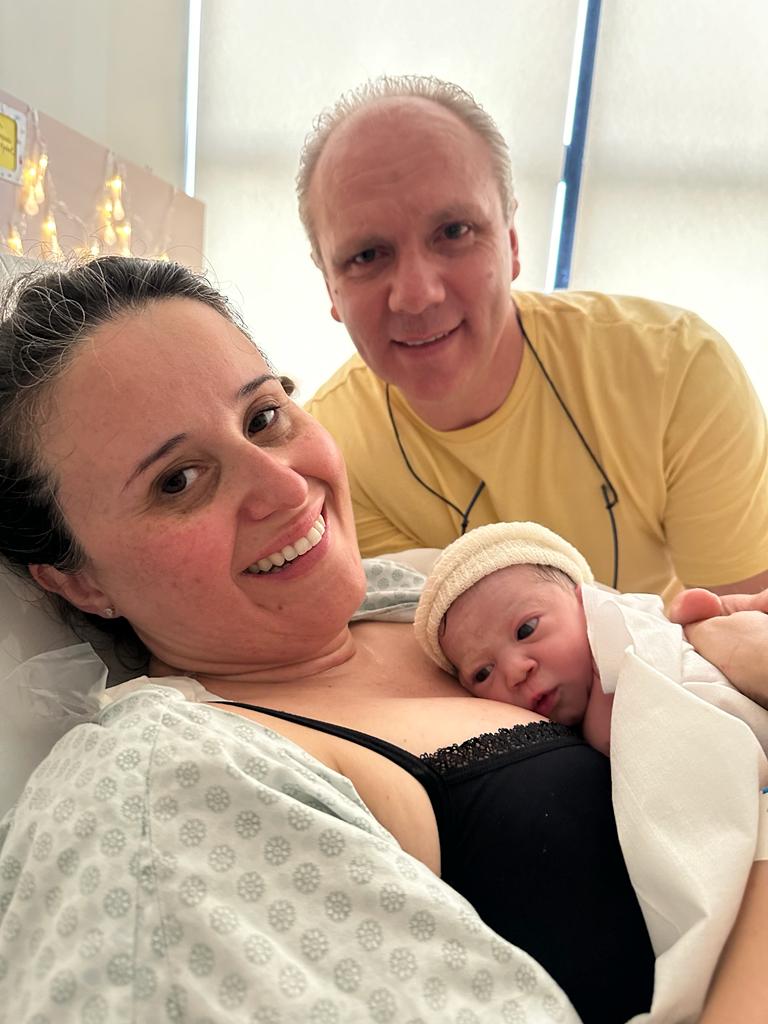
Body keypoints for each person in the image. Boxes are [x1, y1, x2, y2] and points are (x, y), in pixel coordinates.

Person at [0, 257, 760, 1024]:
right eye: (178, 481)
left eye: (263, 418)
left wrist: (711, 647)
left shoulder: (422, 593)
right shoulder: (163, 791)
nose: (286, 488)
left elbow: (660, 650)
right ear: (77, 582)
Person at [298, 74, 768, 600]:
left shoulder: (675, 371)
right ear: (331, 289)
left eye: (454, 232)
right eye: (366, 255)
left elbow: (747, 625)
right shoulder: (324, 460)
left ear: (512, 241)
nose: (417, 294)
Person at [413, 520, 740, 756]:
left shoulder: (625, 642)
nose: (515, 671)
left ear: (585, 603)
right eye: (483, 672)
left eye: (526, 630)